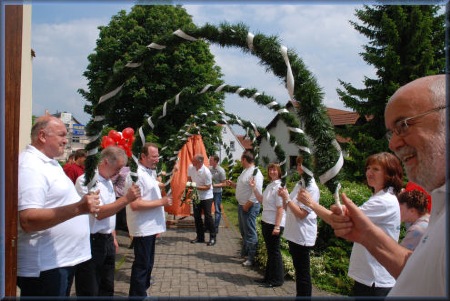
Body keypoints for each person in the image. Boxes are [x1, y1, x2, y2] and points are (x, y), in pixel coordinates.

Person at [330, 75, 447, 296]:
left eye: (403, 125)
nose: (393, 144)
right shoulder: (442, 203)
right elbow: (419, 272)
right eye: (391, 132)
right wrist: (367, 236)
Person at [17, 115, 100, 297]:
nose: (66, 140)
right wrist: (80, 208)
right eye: (62, 135)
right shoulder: (31, 166)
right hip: (45, 269)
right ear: (42, 136)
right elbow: (28, 220)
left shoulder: (49, 163)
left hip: (59, 263)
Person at [299, 152, 403, 296]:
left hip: (374, 279)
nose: (369, 172)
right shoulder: (381, 197)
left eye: (376, 169)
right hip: (371, 277)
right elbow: (348, 217)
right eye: (368, 168)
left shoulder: (383, 201)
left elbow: (341, 221)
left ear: (389, 175)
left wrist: (311, 204)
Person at [74, 146, 141, 296]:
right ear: (105, 162)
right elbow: (98, 213)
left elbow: (111, 213)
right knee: (90, 288)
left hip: (106, 240)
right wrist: (126, 199)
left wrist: (113, 236)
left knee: (106, 286)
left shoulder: (108, 181)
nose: (119, 172)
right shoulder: (87, 181)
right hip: (90, 241)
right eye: (117, 168)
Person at [126, 142, 173, 297]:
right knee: (142, 264)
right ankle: (137, 295)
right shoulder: (136, 174)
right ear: (143, 156)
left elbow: (154, 186)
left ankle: (142, 292)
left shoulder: (148, 172)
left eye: (157, 156)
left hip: (151, 227)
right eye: (153, 156)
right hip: (143, 227)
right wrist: (162, 202)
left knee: (148, 263)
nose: (157, 159)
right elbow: (135, 204)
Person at [277, 155, 320, 297]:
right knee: (299, 271)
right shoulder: (300, 183)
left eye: (303, 164)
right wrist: (284, 197)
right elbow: (289, 205)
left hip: (302, 234)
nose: (300, 167)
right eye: (299, 164)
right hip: (294, 233)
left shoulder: (311, 187)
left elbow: (301, 213)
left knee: (303, 274)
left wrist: (287, 199)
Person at [250, 163, 285, 288]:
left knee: (274, 252)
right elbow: (261, 200)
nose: (272, 172)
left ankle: (277, 279)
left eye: (274, 170)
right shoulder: (270, 185)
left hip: (274, 223)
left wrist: (277, 226)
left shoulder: (279, 186)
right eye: (270, 170)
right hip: (266, 221)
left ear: (279, 171)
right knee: (270, 251)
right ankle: (268, 277)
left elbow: (280, 208)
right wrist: (254, 188)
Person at [226, 150, 263, 267]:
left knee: (250, 232)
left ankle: (251, 258)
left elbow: (256, 192)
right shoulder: (245, 171)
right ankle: (245, 253)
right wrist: (233, 185)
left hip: (249, 206)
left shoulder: (255, 173)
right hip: (242, 205)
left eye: (241, 159)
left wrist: (248, 204)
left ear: (244, 160)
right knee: (244, 231)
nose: (241, 162)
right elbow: (244, 186)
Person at [188, 154, 216, 246]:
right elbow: (189, 179)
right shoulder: (191, 167)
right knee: (197, 217)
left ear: (200, 162)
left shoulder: (207, 172)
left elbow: (208, 187)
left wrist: (195, 187)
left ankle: (213, 237)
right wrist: (189, 187)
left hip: (207, 196)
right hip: (196, 196)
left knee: (208, 217)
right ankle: (200, 237)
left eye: (194, 161)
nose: (192, 163)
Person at [209, 154, 227, 234]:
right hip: (209, 192)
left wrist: (214, 185)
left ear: (215, 161)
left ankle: (216, 228)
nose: (209, 161)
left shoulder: (221, 170)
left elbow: (224, 184)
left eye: (211, 160)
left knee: (217, 210)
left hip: (217, 193)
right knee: (208, 210)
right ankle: (208, 226)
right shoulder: (209, 169)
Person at [112, 165, 131, 232]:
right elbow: (113, 181)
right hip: (119, 195)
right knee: (118, 218)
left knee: (127, 218)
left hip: (129, 197)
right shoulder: (122, 169)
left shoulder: (139, 170)